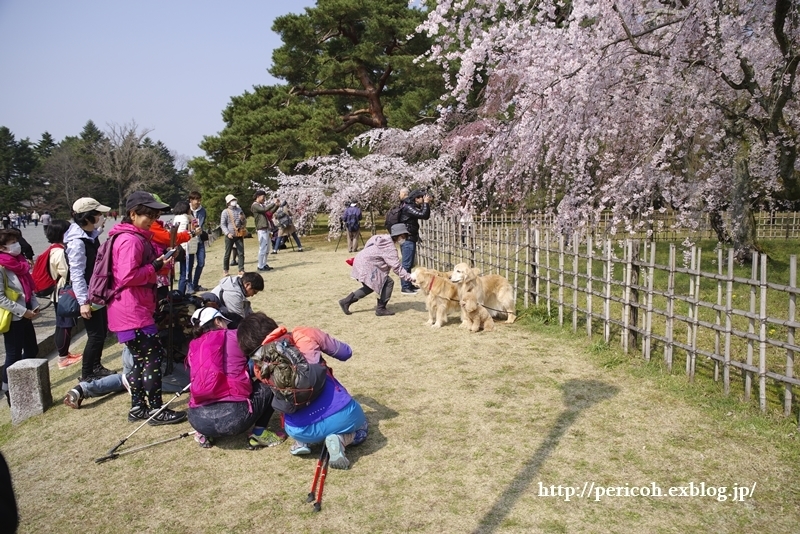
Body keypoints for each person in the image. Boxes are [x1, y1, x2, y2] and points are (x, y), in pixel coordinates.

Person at [237, 312, 368, 468]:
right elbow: (346, 353)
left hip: (298, 429)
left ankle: (302, 443)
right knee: (362, 428)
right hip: (341, 414)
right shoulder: (304, 334)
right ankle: (342, 439)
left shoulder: (258, 366)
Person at [106, 191, 187, 425]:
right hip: (132, 310)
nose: (152, 219)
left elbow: (141, 270)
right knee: (151, 359)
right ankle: (155, 409)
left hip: (131, 308)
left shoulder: (133, 236)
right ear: (132, 214)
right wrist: (155, 265)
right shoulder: (130, 239)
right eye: (148, 214)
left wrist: (160, 265)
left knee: (140, 360)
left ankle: (138, 407)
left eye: (155, 214)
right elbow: (127, 276)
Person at [186, 306, 282, 449]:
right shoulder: (234, 335)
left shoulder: (193, 345)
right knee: (268, 383)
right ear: (218, 321)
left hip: (198, 420)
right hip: (235, 418)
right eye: (225, 322)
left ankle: (203, 434)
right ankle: (259, 433)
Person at [65, 197, 114, 382]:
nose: (102, 217)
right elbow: (77, 274)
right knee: (95, 335)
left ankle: (96, 366)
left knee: (101, 332)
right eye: (98, 214)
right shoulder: (77, 242)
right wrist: (83, 302)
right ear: (87, 217)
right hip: (88, 295)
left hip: (97, 291)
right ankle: (87, 374)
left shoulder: (88, 233)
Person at [338, 224, 414, 317]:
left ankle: (346, 301)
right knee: (388, 283)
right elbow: (397, 267)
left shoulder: (383, 238)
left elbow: (369, 243)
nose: (405, 238)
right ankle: (380, 308)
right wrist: (410, 277)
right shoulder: (389, 248)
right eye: (404, 236)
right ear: (399, 235)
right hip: (366, 265)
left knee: (370, 286)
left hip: (362, 261)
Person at [0, 229, 39, 406]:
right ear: (2, 247)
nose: (16, 244)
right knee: (13, 354)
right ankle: (8, 388)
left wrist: (34, 304)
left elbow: (27, 287)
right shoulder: (2, 266)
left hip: (27, 313)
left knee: (32, 350)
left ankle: (26, 382)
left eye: (16, 240)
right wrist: (23, 312)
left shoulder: (20, 262)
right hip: (14, 317)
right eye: (12, 242)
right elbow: (1, 297)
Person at [45, 219, 83, 369]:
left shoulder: (54, 249)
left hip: (60, 292)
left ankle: (65, 353)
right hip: (63, 293)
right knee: (64, 325)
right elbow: (68, 272)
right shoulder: (60, 252)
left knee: (63, 325)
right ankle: (62, 358)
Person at [398, 189, 432, 294]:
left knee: (409, 263)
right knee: (406, 264)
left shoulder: (408, 205)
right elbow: (424, 215)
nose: (424, 199)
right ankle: (405, 286)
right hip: (407, 238)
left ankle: (409, 284)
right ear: (417, 198)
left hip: (410, 237)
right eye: (422, 197)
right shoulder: (408, 207)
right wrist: (426, 204)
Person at [172, 200, 202, 294]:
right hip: (186, 249)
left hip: (183, 248)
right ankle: (181, 293)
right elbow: (184, 233)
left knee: (185, 272)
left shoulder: (178, 218)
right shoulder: (184, 219)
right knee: (185, 273)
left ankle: (184, 291)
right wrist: (195, 232)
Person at [250, 190, 277, 272]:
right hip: (261, 229)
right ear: (258, 196)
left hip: (267, 229)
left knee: (267, 248)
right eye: (263, 197)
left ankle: (264, 264)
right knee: (262, 248)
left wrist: (277, 206)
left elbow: (269, 213)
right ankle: (260, 265)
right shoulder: (255, 206)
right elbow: (264, 210)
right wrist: (273, 203)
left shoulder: (261, 205)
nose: (264, 199)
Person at [221, 194, 246, 276]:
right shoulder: (225, 212)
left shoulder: (239, 210)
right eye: (232, 200)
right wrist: (227, 233)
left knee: (241, 252)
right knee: (227, 253)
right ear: (228, 202)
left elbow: (244, 222)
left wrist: (242, 219)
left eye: (234, 200)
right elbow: (223, 224)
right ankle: (225, 269)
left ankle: (241, 269)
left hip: (238, 234)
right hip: (230, 235)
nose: (234, 201)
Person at [187, 191, 208, 292]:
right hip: (190, 240)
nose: (198, 202)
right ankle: (189, 285)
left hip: (199, 240)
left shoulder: (202, 211)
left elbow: (200, 224)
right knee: (189, 264)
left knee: (201, 262)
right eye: (196, 200)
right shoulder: (186, 210)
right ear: (191, 200)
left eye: (199, 200)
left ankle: (195, 284)